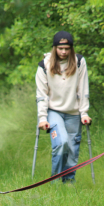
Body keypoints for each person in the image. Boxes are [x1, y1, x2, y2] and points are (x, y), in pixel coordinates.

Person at [35, 31, 91, 183]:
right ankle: (54, 181)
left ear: (71, 48)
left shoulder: (79, 61)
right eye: (60, 48)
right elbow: (41, 95)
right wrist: (42, 118)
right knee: (62, 142)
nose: (64, 52)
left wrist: (84, 113)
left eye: (67, 48)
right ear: (54, 48)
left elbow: (83, 89)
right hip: (54, 112)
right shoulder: (44, 66)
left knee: (72, 149)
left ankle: (69, 183)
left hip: (74, 112)